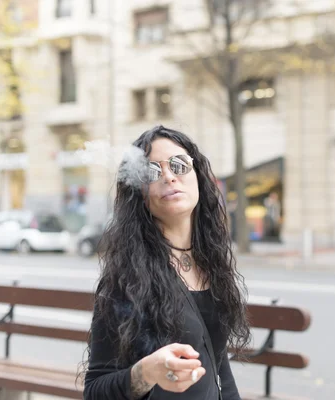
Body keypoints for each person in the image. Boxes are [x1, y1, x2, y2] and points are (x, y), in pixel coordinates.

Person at [82, 126, 250, 400]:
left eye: (179, 165)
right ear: (140, 195)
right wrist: (145, 373)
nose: (169, 177)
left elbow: (217, 366)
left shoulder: (211, 262)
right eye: (152, 172)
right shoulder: (127, 279)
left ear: (199, 177)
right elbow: (95, 391)